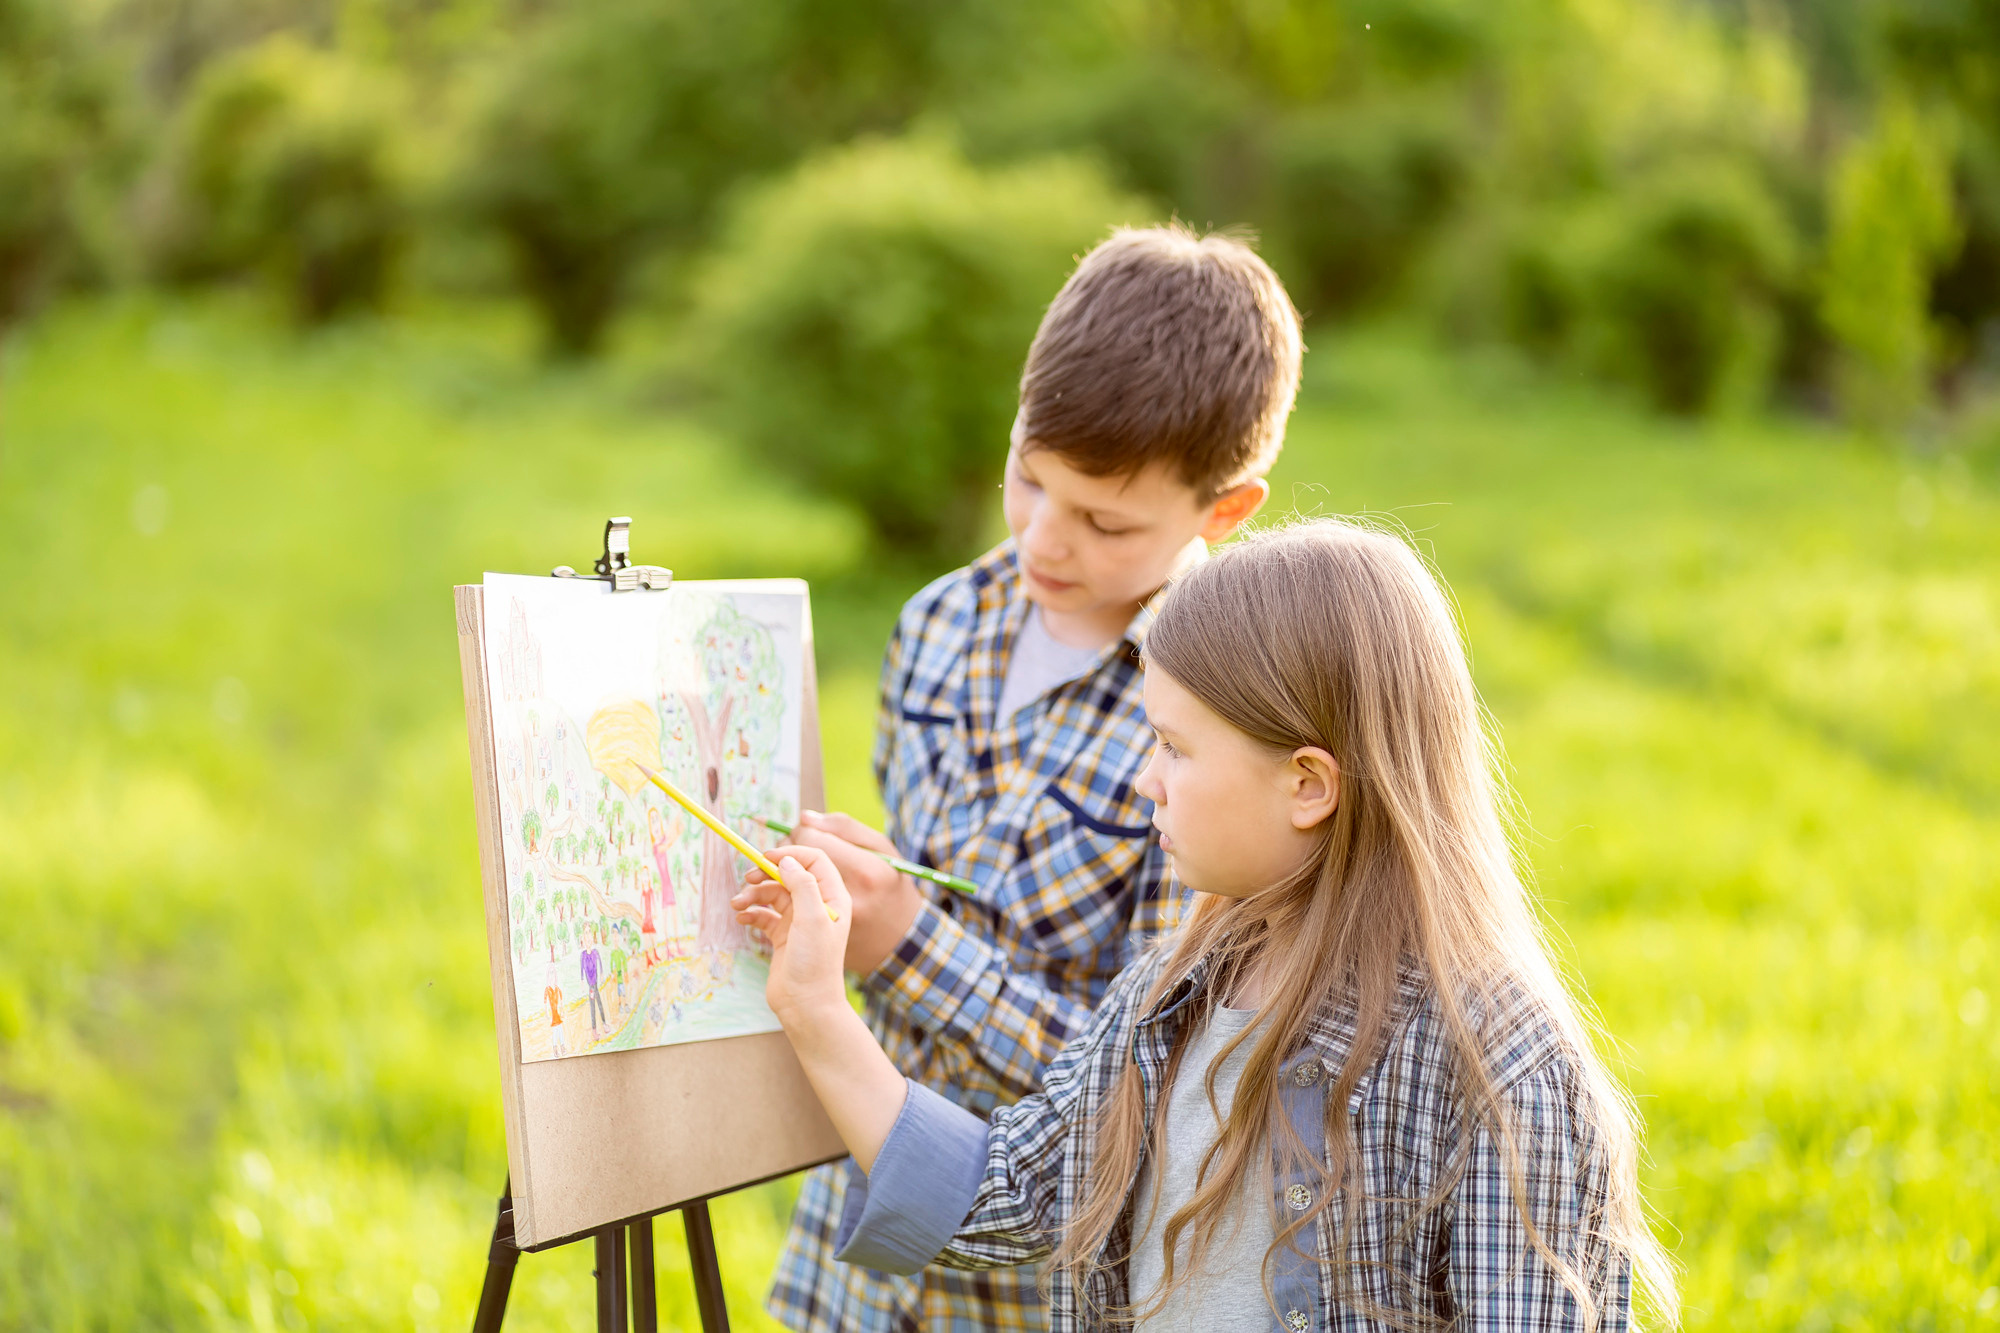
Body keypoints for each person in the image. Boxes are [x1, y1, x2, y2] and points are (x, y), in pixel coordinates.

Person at [738, 521, 1679, 1331]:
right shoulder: (1167, 995)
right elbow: (1011, 1194)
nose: (1144, 779)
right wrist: (819, 1009)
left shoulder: (1499, 1067)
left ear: (1308, 783)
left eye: (1175, 748)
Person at [749, 225, 1303, 1331]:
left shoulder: (1221, 723)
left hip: (1043, 1281)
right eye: (1024, 477)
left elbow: (1159, 1077)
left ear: (1224, 510)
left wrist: (905, 945)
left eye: (1102, 520)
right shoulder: (937, 626)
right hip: (858, 1260)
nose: (1044, 539)